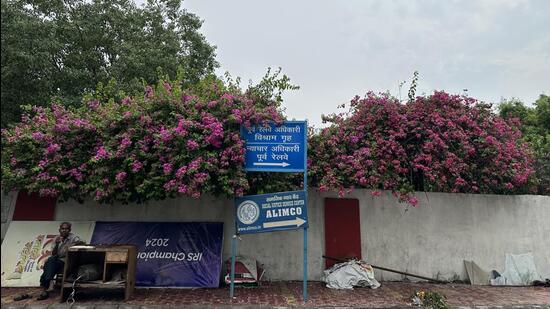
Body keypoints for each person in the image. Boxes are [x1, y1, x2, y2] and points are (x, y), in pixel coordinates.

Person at [37, 222, 84, 300]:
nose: (64, 230)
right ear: (59, 230)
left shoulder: (73, 237)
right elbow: (54, 254)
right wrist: (57, 244)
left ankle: (46, 286)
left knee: (49, 263)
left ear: (69, 230)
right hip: (57, 259)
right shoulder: (56, 239)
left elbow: (82, 242)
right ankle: (49, 280)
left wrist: (72, 244)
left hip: (67, 260)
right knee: (50, 261)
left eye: (66, 229)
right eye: (62, 229)